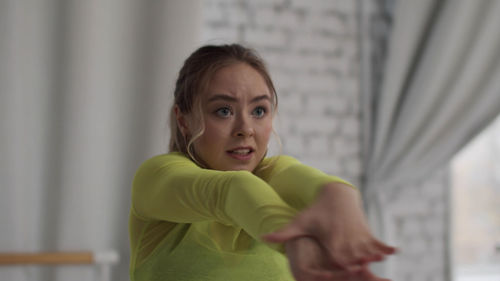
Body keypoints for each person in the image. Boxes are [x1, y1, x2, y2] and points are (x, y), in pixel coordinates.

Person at [129, 44, 396, 281]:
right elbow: (231, 191)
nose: (246, 129)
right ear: (184, 120)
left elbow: (312, 183)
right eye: (223, 110)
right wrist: (294, 240)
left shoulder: (274, 176)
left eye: (259, 111)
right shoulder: (158, 179)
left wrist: (340, 197)